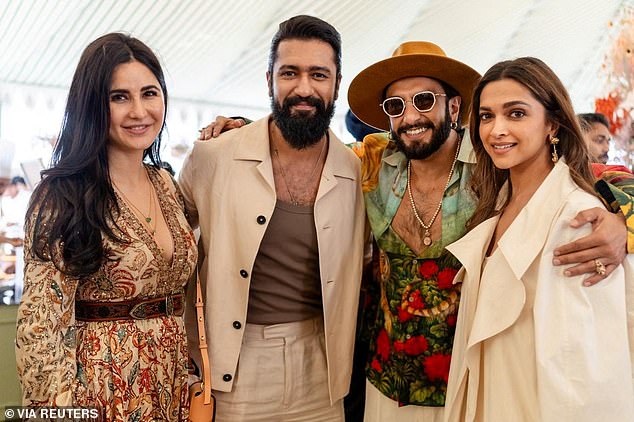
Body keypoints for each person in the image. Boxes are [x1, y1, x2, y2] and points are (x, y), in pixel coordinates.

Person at [201, 41, 633, 421]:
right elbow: (305, 147)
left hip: (473, 374)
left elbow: (595, 178)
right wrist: (243, 127)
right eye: (396, 106)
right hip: (386, 379)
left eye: (425, 100)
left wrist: (622, 226)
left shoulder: (493, 164)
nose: (411, 117)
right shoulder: (368, 165)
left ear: (454, 106)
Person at [179, 15, 366, 421]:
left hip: (324, 365)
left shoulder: (355, 171)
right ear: (269, 81)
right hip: (236, 364)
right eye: (289, 73)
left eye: (318, 74)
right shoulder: (215, 156)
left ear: (335, 83)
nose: (304, 89)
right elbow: (169, 242)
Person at [15, 33, 198, 420]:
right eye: (119, 97)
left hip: (174, 385)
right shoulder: (61, 196)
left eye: (150, 93)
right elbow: (39, 332)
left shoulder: (164, 183)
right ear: (91, 105)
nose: (139, 111)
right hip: (102, 392)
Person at [444, 57, 634, 422]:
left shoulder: (577, 219)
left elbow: (584, 376)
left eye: (516, 114)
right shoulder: (497, 205)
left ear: (553, 124)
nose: (496, 129)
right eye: (486, 116)